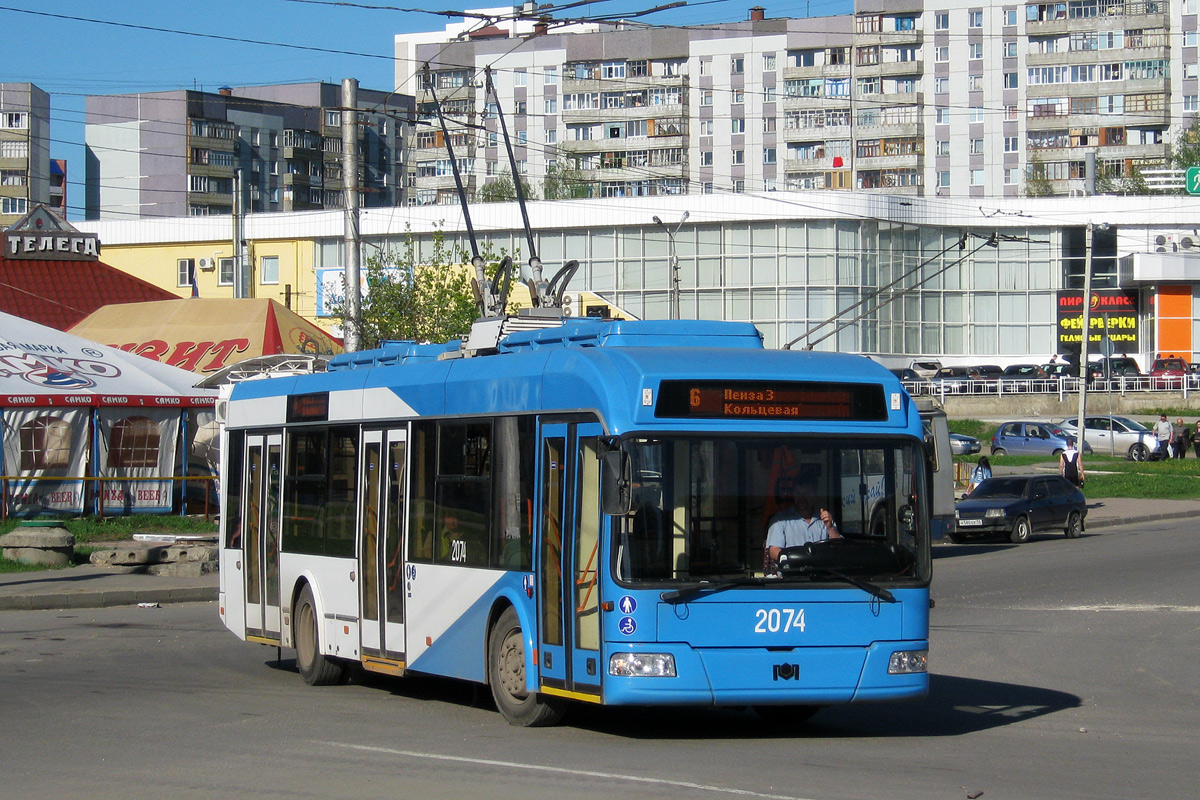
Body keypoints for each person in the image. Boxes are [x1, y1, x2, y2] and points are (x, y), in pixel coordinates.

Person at [765, 476, 840, 567]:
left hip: (822, 575)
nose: (802, 497)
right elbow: (773, 550)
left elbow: (839, 548)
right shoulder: (781, 520)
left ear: (815, 494)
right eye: (798, 493)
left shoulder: (825, 519)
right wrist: (788, 560)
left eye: (806, 493)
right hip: (792, 576)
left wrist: (830, 528)